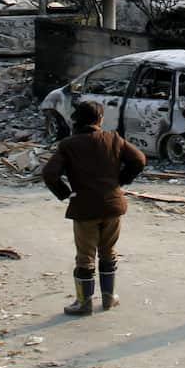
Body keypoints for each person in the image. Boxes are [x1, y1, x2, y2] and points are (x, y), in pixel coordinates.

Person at [42, 100, 146, 316]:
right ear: (99, 119)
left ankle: (84, 302)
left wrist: (65, 193)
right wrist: (121, 180)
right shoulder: (113, 139)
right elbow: (139, 159)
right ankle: (109, 298)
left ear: (77, 120)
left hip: (85, 208)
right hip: (112, 205)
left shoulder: (68, 145)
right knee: (108, 251)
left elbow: (49, 174)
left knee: (85, 256)